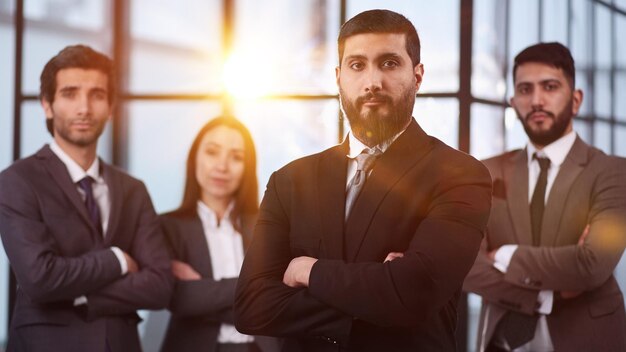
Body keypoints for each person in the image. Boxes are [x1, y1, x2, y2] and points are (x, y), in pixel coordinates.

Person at [234, 9, 492, 351]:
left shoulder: (461, 175)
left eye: (389, 63)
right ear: (339, 77)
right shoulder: (289, 181)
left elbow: (412, 293)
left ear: (417, 76)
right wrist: (377, 293)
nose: (372, 81)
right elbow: (252, 307)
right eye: (357, 65)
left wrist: (307, 271)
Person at [0, 45, 174, 352]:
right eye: (69, 93)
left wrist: (80, 294)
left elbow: (160, 286)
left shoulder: (133, 189)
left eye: (96, 94)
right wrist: (117, 260)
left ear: (110, 106)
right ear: (47, 105)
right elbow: (40, 279)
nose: (84, 108)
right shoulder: (17, 181)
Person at [464, 42, 626, 351]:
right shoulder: (485, 172)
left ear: (576, 100)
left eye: (550, 87)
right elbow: (462, 264)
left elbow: (592, 265)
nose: (536, 100)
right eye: (525, 90)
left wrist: (505, 255)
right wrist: (545, 295)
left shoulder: (614, 172)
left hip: (588, 337)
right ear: (513, 102)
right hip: (502, 337)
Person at [160, 117, 280, 352]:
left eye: (236, 157)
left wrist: (207, 290)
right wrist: (254, 288)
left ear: (248, 167)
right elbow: (180, 298)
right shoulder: (167, 227)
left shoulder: (267, 225)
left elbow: (279, 298)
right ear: (195, 157)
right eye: (212, 152)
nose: (222, 166)